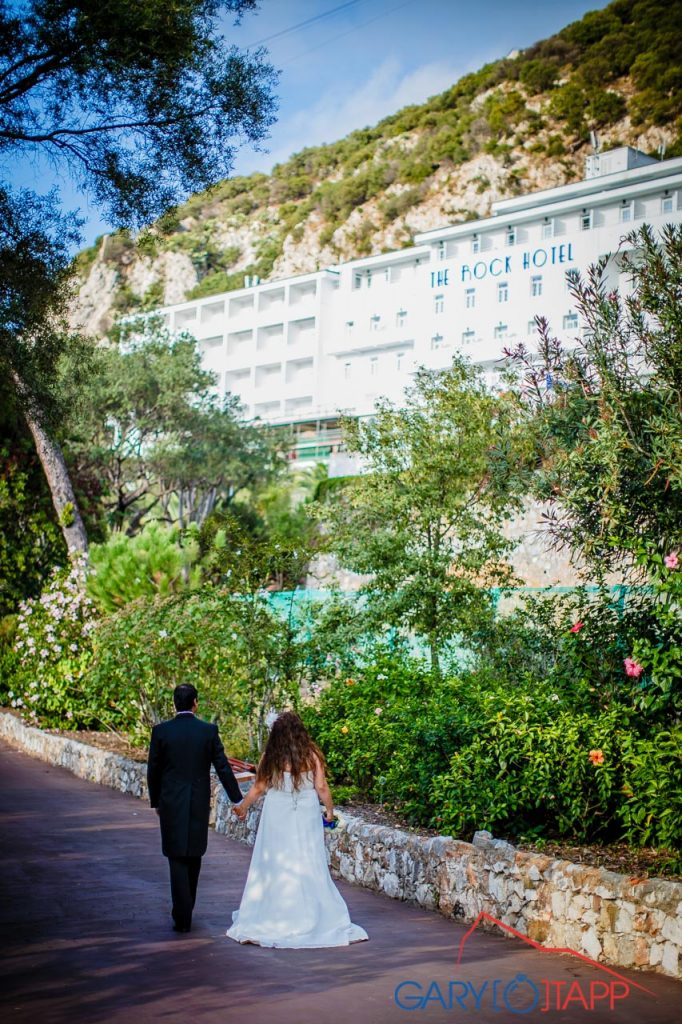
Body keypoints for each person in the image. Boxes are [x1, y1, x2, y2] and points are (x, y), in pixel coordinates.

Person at [226, 711, 368, 948]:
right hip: (305, 811)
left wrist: (243, 807)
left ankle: (273, 913)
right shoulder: (311, 755)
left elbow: (259, 787)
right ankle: (311, 915)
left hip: (276, 812)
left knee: (275, 861)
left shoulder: (270, 757)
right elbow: (321, 787)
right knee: (308, 860)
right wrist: (330, 811)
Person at [147, 683, 244, 933]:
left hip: (170, 802)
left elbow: (153, 771)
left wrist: (155, 800)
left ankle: (182, 914)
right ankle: (185, 908)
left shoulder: (161, 732)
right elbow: (223, 766)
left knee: (176, 855)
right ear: (195, 703)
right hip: (199, 801)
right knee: (194, 853)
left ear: (174, 704)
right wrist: (237, 798)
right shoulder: (208, 731)